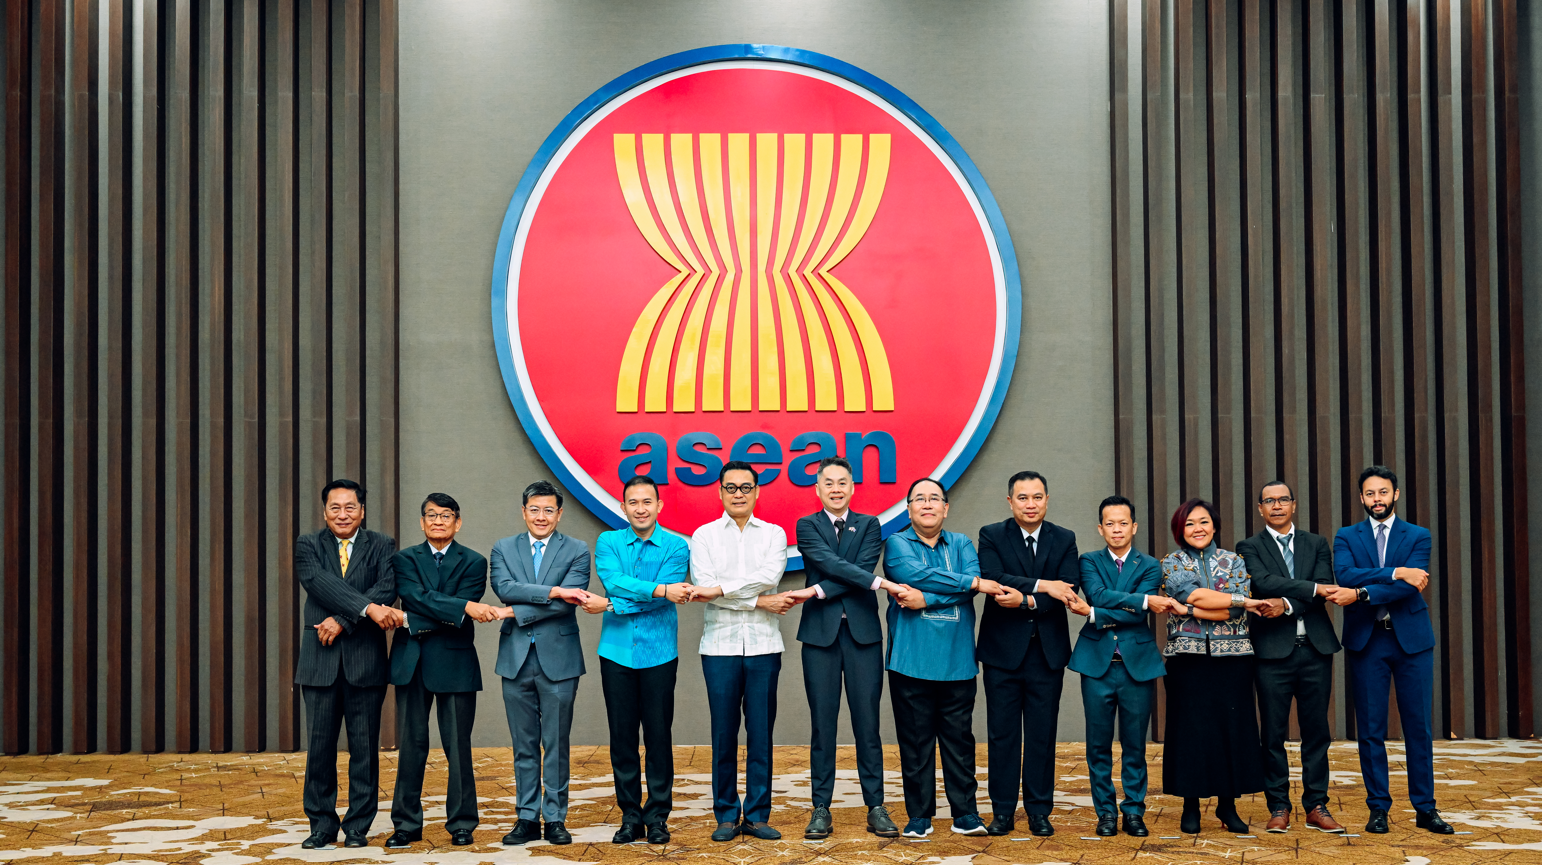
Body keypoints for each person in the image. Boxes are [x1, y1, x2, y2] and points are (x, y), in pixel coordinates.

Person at [1332, 466, 1451, 835]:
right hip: (1367, 641)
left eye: (1383, 492)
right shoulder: (1346, 535)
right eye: (1370, 493)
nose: (1377, 499)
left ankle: (1425, 808)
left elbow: (1412, 585)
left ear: (1395, 494)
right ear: (1362, 497)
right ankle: (1378, 808)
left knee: (1419, 727)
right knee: (1370, 729)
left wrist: (1363, 592)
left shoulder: (1418, 534)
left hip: (1412, 642)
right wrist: (1398, 571)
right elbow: (1345, 575)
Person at [785, 456, 897, 840]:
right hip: (820, 637)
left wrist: (815, 590)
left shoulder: (869, 524)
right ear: (817, 489)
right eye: (828, 483)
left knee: (868, 724)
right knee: (823, 724)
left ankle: (876, 806)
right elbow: (834, 565)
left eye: (842, 482)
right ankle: (821, 807)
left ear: (852, 487)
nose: (836, 489)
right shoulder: (807, 525)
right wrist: (873, 581)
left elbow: (857, 570)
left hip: (863, 635)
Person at [690, 461, 799, 842]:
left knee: (761, 734)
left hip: (763, 646)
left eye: (746, 487)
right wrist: (758, 601)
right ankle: (725, 815)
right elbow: (703, 584)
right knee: (723, 734)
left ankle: (756, 815)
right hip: (718, 647)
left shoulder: (773, 534)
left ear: (757, 491)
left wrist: (722, 590)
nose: (738, 494)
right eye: (731, 487)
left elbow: (768, 577)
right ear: (720, 491)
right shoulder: (703, 536)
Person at [881, 477, 995, 839]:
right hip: (910, 660)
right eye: (919, 499)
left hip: (957, 660)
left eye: (934, 498)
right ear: (909, 509)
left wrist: (927, 598)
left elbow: (970, 581)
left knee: (960, 743)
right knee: (915, 744)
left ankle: (965, 814)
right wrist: (968, 584)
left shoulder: (961, 543)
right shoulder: (897, 543)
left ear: (946, 508)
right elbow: (913, 574)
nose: (927, 504)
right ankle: (919, 816)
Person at [294, 479, 402, 850]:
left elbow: (387, 588)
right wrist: (366, 608)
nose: (343, 514)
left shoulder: (382, 544)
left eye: (350, 507)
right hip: (319, 662)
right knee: (319, 749)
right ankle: (321, 825)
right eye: (335, 507)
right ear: (325, 511)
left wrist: (343, 620)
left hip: (365, 661)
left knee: (365, 749)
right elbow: (318, 583)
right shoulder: (308, 544)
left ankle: (358, 825)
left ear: (362, 510)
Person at [1235, 481, 1349, 834]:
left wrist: (1286, 603)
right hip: (1271, 653)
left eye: (1283, 499)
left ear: (1294, 505)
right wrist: (1311, 589)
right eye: (1269, 500)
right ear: (1260, 509)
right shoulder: (1248, 547)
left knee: (1317, 732)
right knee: (1272, 733)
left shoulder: (1317, 543)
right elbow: (1262, 583)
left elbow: (1323, 587)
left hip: (1316, 649)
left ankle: (1316, 805)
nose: (1277, 505)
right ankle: (1279, 806)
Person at [1068, 495, 1182, 837]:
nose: (1116, 529)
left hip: (1137, 665)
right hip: (1096, 665)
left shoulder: (1149, 565)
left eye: (1123, 523)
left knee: (1135, 745)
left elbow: (1130, 615)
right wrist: (1143, 601)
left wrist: (1093, 614)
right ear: (1100, 528)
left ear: (1134, 527)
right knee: (1097, 745)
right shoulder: (1088, 560)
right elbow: (1098, 594)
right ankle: (1105, 812)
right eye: (1110, 523)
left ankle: (1133, 811)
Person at [975, 470, 1081, 837]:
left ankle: (1038, 810)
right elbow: (993, 577)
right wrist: (1044, 585)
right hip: (1002, 653)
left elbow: (1069, 589)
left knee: (1041, 735)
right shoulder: (991, 534)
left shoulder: (1064, 538)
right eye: (1023, 498)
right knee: (1002, 735)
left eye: (1037, 497)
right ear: (1010, 502)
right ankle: (1002, 811)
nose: (1030, 504)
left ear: (1047, 500)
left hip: (1046, 654)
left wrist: (1028, 599)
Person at [489, 480, 596, 846]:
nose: (541, 516)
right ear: (524, 512)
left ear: (559, 514)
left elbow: (568, 604)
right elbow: (504, 588)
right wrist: (553, 590)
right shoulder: (503, 548)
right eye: (534, 509)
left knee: (556, 743)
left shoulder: (577, 550)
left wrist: (515, 611)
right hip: (515, 658)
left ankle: (554, 818)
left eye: (548, 510)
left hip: (559, 660)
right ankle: (526, 817)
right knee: (523, 745)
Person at [386, 493, 495, 849]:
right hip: (412, 661)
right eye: (431, 515)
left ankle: (462, 823)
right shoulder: (403, 559)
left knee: (458, 748)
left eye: (445, 515)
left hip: (455, 661)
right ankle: (406, 824)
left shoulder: (475, 561)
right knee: (410, 746)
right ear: (422, 522)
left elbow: (449, 611)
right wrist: (460, 607)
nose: (437, 521)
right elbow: (414, 595)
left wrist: (411, 619)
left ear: (457, 523)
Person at [589, 476, 691, 845]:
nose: (641, 508)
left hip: (659, 653)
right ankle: (630, 816)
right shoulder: (608, 541)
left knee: (659, 736)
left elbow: (661, 601)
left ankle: (658, 816)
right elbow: (614, 581)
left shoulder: (677, 546)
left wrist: (612, 605)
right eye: (633, 502)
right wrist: (660, 590)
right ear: (623, 507)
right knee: (622, 738)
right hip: (616, 653)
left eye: (647, 501)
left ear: (659, 506)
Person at [1159, 498, 1269, 834]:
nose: (1198, 528)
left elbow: (1231, 611)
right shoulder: (1172, 562)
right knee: (1190, 732)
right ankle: (1190, 804)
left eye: (1204, 521)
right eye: (1190, 523)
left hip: (1233, 660)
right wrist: (1239, 601)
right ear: (1180, 530)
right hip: (1187, 659)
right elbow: (1191, 594)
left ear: (1215, 525)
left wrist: (1192, 610)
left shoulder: (1234, 561)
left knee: (1230, 731)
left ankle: (1227, 805)